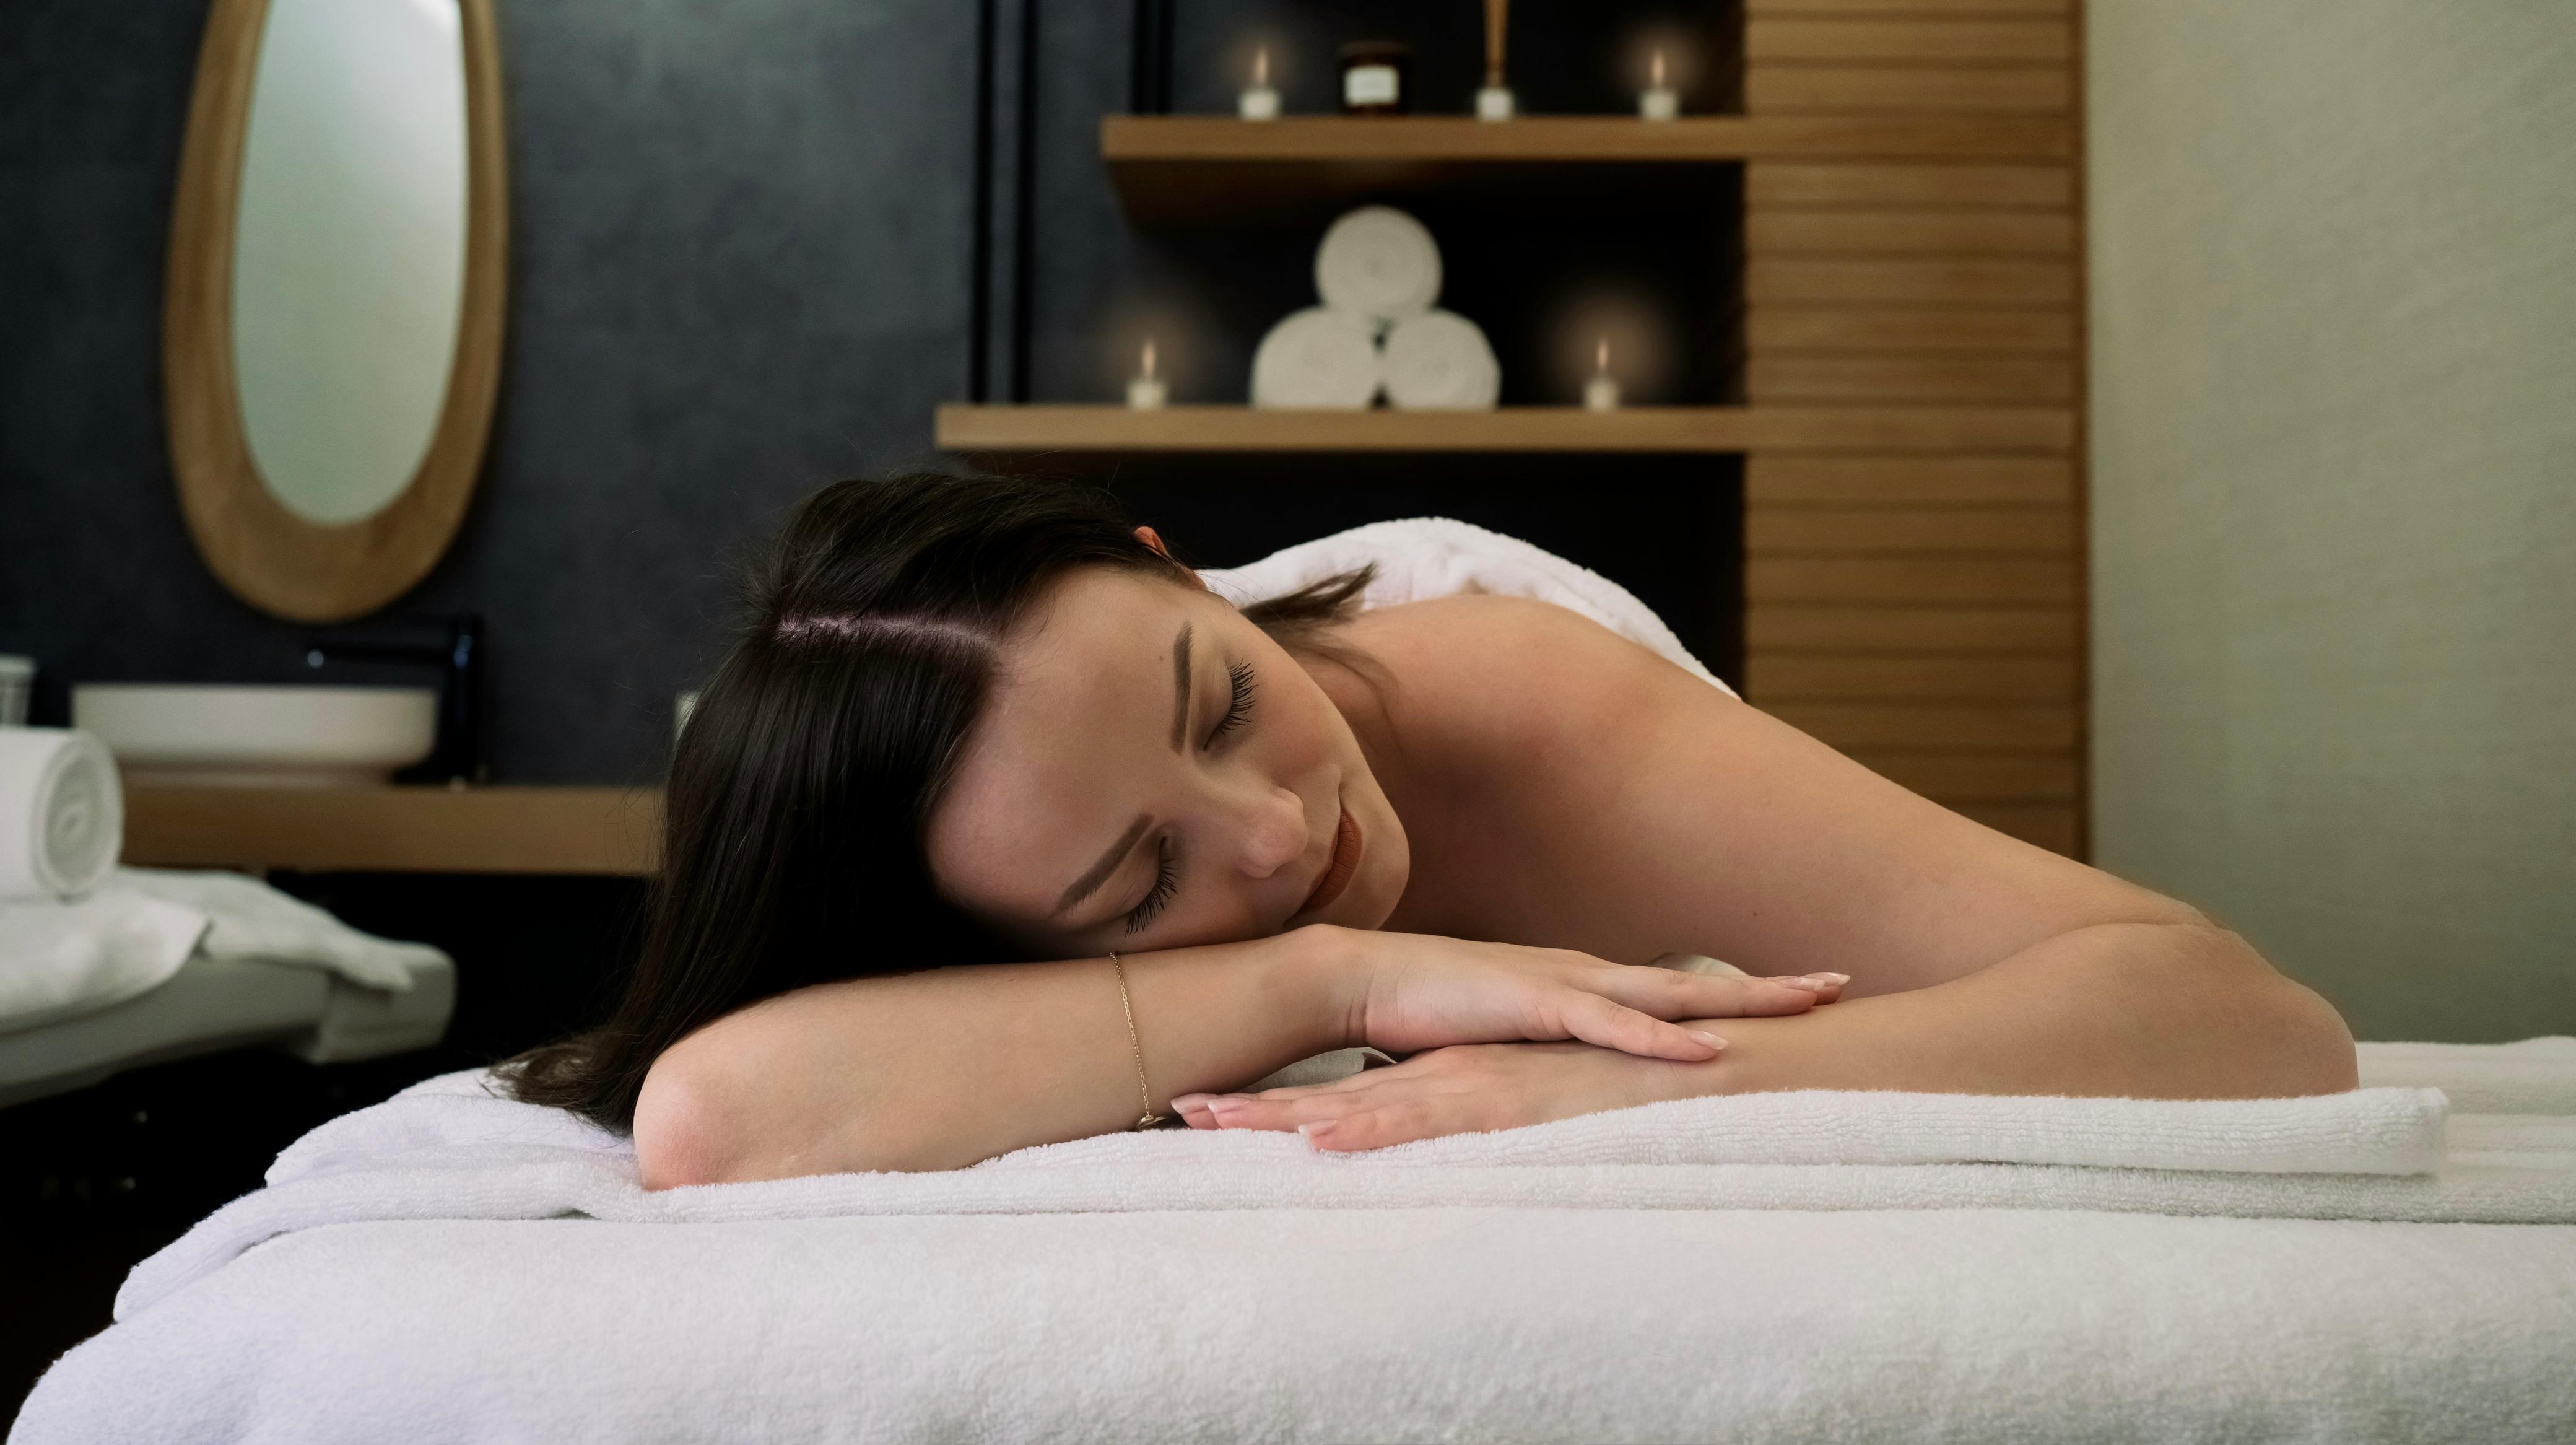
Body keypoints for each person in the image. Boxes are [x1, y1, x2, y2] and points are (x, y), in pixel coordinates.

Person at [503, 474, 2355, 1185]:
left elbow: (2248, 1019)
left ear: (1187, 577)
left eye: (1225, 702)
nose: (1270, 833)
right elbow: (714, 1119)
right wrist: (1336, 978)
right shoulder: (990, 868)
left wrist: (1625, 1079)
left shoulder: (1524, 707)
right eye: (1140, 884)